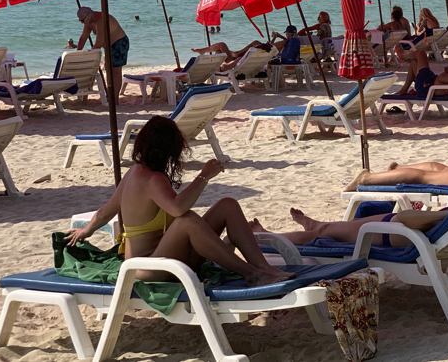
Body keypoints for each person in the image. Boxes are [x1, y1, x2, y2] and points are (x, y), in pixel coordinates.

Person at [65, 116, 294, 286]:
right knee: (187, 220)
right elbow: (177, 208)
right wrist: (204, 176)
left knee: (227, 205)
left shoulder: (134, 173)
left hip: (171, 257)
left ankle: (263, 266)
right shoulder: (152, 178)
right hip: (147, 268)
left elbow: (105, 213)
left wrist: (86, 231)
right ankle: (251, 273)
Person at [251, 208, 448, 249]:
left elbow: (405, 217)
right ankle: (315, 224)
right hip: (390, 227)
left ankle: (268, 236)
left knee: (315, 236)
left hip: (386, 234)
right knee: (332, 227)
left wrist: (445, 213)